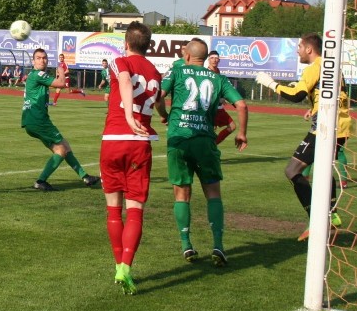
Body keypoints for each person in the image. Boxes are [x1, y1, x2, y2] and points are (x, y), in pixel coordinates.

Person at [156, 38, 248, 267]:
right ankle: (218, 244)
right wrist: (241, 133)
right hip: (205, 141)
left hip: (179, 139)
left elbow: (158, 97)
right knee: (213, 193)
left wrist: (164, 115)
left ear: (187, 55)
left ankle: (186, 244)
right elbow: (242, 106)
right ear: (206, 58)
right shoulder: (218, 78)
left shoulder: (177, 71)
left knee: (181, 194)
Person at [255, 33, 351, 240]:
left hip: (326, 128)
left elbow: (296, 95)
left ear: (309, 49)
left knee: (292, 170)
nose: (297, 50)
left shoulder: (314, 68)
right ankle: (331, 215)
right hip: (340, 126)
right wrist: (315, 109)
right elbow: (332, 94)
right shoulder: (332, 66)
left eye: (299, 46)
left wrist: (270, 84)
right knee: (323, 169)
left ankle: (318, 219)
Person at [99, 23, 162, 295]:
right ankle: (126, 266)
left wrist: (126, 116)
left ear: (126, 43)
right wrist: (163, 114)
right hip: (139, 144)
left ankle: (117, 266)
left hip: (113, 140)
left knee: (114, 208)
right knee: (135, 210)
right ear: (148, 46)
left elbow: (125, 80)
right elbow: (158, 99)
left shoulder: (120, 61)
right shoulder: (155, 72)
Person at [22, 48, 101, 191]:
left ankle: (85, 177)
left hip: (32, 120)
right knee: (61, 150)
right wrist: (61, 69)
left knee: (64, 146)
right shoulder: (38, 74)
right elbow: (61, 84)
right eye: (38, 58)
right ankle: (40, 181)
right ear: (33, 61)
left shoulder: (35, 75)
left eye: (44, 58)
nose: (42, 60)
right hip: (38, 120)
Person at [206, 51, 237, 145]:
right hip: (210, 109)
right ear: (208, 59)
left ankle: (214, 144)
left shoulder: (218, 72)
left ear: (219, 60)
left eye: (216, 58)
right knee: (208, 132)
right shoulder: (206, 73)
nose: (214, 60)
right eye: (212, 58)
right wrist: (219, 99)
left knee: (232, 126)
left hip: (219, 109)